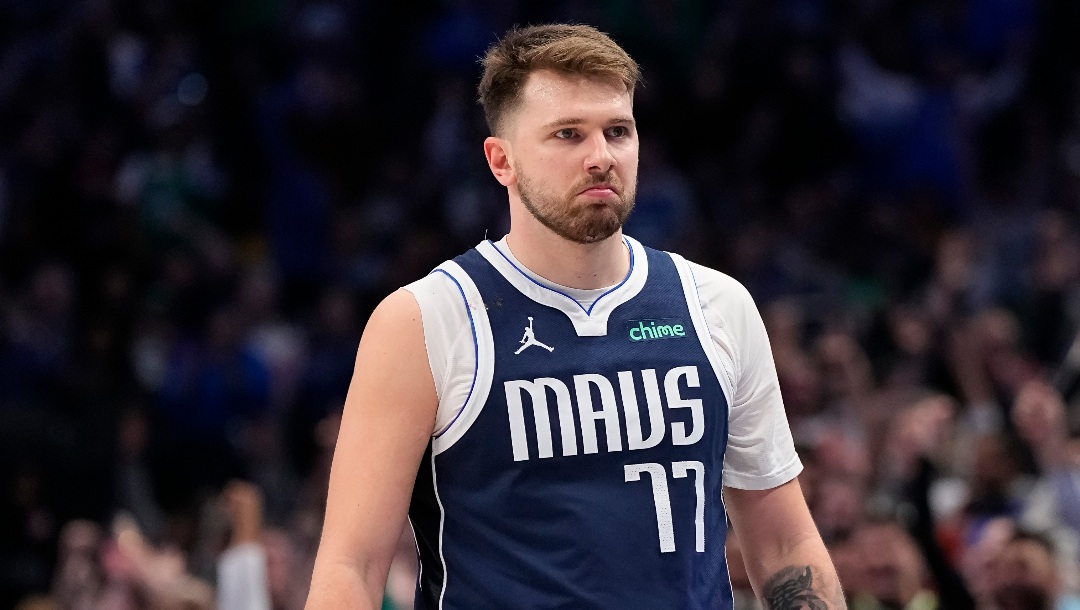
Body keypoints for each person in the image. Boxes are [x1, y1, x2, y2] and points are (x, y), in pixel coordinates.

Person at [304, 23, 845, 609]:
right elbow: (352, 568)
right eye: (568, 134)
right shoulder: (425, 320)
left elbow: (786, 546)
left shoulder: (717, 304)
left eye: (618, 131)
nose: (600, 157)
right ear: (502, 160)